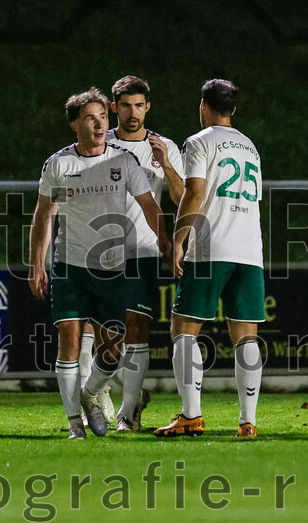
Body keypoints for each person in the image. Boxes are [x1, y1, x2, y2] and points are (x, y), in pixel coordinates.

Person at [29, 87, 165, 439]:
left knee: (113, 347)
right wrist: (37, 264)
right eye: (90, 117)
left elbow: (150, 206)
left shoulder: (123, 161)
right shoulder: (59, 164)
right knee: (70, 340)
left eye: (103, 116)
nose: (100, 123)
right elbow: (44, 216)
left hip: (114, 268)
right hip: (70, 266)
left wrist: (166, 240)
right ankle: (75, 422)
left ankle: (90, 393)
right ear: (75, 123)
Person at [154, 79, 265, 440]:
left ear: (203, 106)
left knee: (183, 330)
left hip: (212, 247)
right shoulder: (250, 147)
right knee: (246, 335)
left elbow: (194, 194)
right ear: (233, 109)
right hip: (249, 251)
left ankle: (192, 416)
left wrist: (179, 239)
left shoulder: (199, 142)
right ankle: (247, 422)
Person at [99, 75, 183, 432]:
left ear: (147, 107)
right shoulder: (99, 144)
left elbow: (182, 197)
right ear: (113, 108)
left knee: (136, 330)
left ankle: (127, 413)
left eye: (139, 105)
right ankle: (114, 392)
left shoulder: (164, 146)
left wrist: (165, 163)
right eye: (125, 105)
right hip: (100, 251)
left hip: (145, 250)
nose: (133, 113)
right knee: (105, 341)